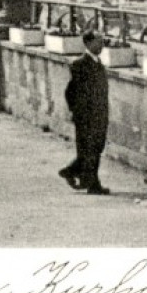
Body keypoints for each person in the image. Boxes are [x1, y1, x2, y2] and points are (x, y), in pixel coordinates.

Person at [59, 30, 112, 195]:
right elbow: (71, 91)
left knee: (95, 148)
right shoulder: (80, 64)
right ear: (88, 44)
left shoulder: (98, 63)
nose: (102, 44)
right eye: (98, 41)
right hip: (87, 116)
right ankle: (92, 184)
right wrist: (77, 112)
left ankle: (74, 173)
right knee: (90, 150)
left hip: (99, 114)